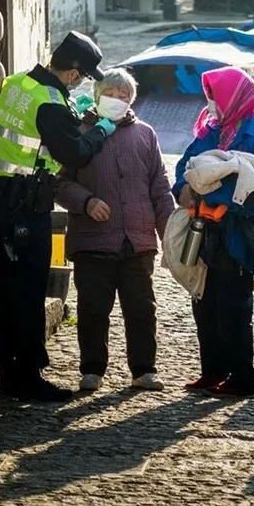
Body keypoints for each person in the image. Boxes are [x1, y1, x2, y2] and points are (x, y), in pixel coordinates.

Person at [0, 31, 115, 402]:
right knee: (28, 289)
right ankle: (27, 375)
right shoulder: (52, 103)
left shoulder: (17, 82)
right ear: (71, 72)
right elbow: (74, 153)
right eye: (83, 76)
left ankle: (8, 371)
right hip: (26, 207)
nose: (81, 82)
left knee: (7, 289)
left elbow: (37, 133)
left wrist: (75, 116)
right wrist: (101, 128)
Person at [56, 68, 174, 394]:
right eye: (111, 94)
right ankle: (92, 369)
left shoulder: (146, 135)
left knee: (141, 308)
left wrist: (169, 235)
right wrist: (86, 201)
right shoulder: (78, 132)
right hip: (92, 239)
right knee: (93, 308)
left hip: (137, 240)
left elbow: (160, 189)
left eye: (124, 97)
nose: (118, 101)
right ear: (97, 96)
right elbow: (59, 182)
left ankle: (144, 369)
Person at [173, 68, 254, 398]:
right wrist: (183, 189)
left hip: (237, 239)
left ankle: (241, 378)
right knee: (204, 305)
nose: (211, 104)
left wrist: (215, 194)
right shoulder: (210, 132)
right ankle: (213, 372)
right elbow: (184, 167)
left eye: (215, 97)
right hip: (205, 234)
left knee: (233, 308)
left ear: (232, 99)